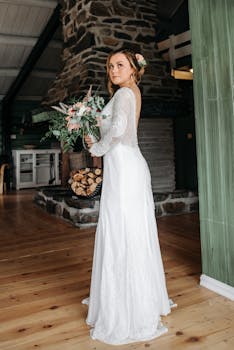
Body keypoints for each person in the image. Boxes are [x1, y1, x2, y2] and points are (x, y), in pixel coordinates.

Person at [82, 48, 176, 345]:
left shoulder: (124, 93)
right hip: (128, 165)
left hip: (124, 168)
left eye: (120, 65)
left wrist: (95, 148)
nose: (113, 70)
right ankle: (135, 296)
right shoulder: (129, 91)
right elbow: (112, 125)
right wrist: (87, 124)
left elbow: (120, 130)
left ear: (134, 69)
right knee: (131, 231)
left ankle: (126, 307)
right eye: (110, 66)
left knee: (121, 231)